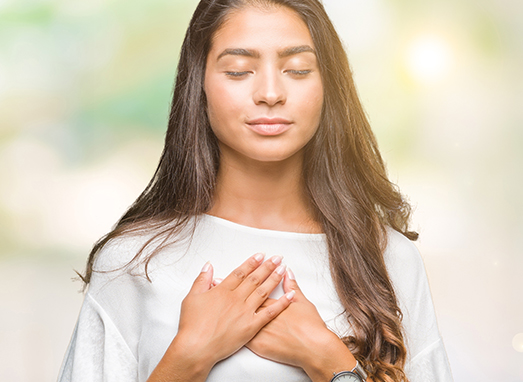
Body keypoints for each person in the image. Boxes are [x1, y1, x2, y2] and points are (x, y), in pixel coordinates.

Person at [58, 0, 453, 381]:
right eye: (238, 70)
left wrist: (330, 362)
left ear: (329, 87)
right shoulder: (132, 262)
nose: (270, 93)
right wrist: (189, 356)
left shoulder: (388, 260)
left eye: (297, 70)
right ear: (199, 85)